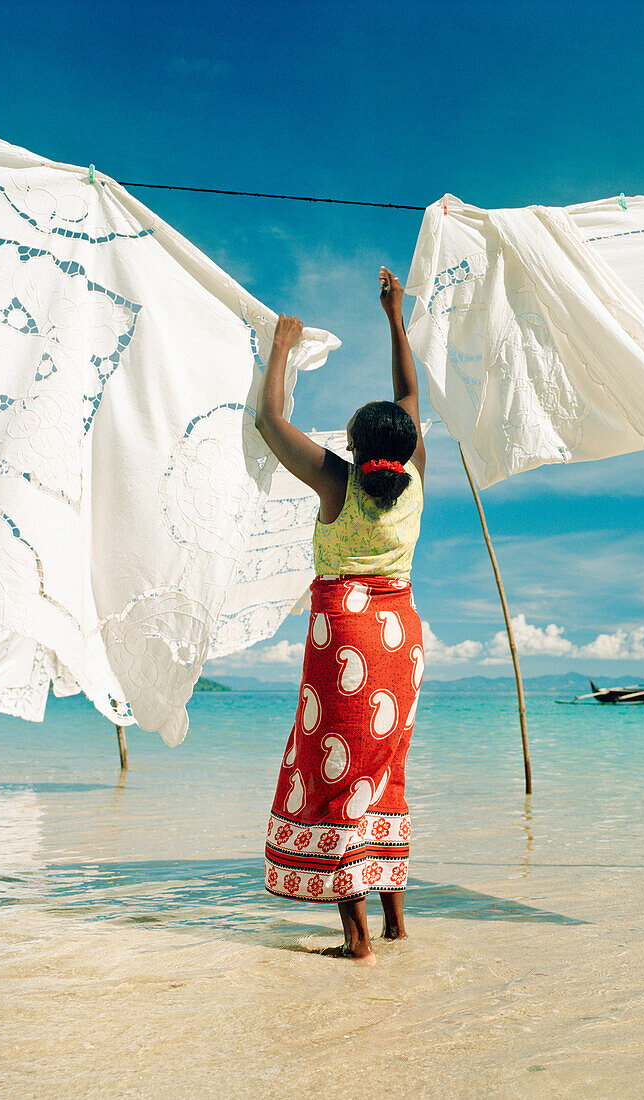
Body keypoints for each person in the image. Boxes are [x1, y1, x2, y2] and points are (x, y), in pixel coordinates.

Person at [255, 267, 425, 966]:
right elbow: (409, 397)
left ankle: (356, 942)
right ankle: (394, 925)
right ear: (406, 445)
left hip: (347, 636)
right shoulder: (416, 475)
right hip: (403, 637)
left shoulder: (338, 480)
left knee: (335, 776)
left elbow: (270, 423)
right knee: (383, 771)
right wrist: (395, 315)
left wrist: (281, 350)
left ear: (355, 450)